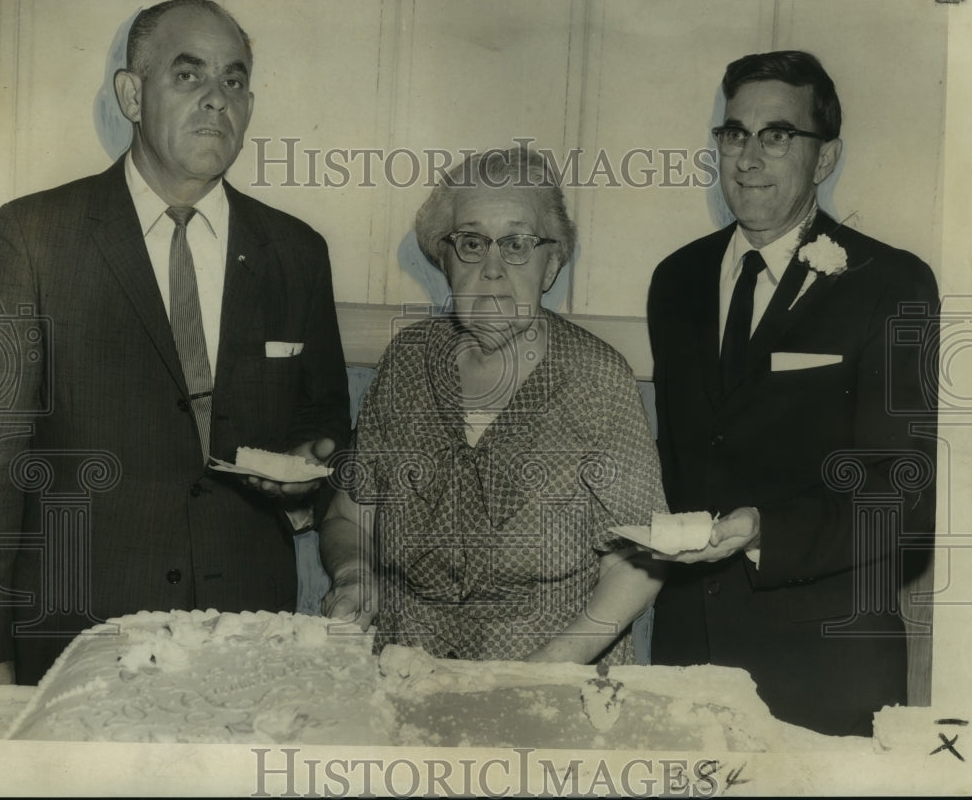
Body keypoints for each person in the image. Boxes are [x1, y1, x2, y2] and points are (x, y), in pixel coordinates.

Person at [0, 0, 350, 685]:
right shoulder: (34, 237)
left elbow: (325, 417)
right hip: (76, 629)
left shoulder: (296, 252)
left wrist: (310, 462)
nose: (218, 100)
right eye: (189, 76)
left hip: (245, 631)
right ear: (131, 93)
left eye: (235, 81)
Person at [646, 50, 938, 736]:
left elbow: (900, 492)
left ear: (826, 157)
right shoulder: (677, 279)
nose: (748, 158)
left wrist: (763, 532)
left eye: (777, 135)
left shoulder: (890, 283)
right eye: (734, 133)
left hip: (824, 663)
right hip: (687, 654)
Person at [320, 148, 666, 664]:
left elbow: (640, 558)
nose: (492, 269)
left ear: (551, 265)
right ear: (445, 258)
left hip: (555, 668)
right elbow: (350, 518)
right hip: (410, 664)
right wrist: (353, 575)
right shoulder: (407, 362)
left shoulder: (597, 378)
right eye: (472, 242)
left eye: (518, 244)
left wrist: (552, 666)